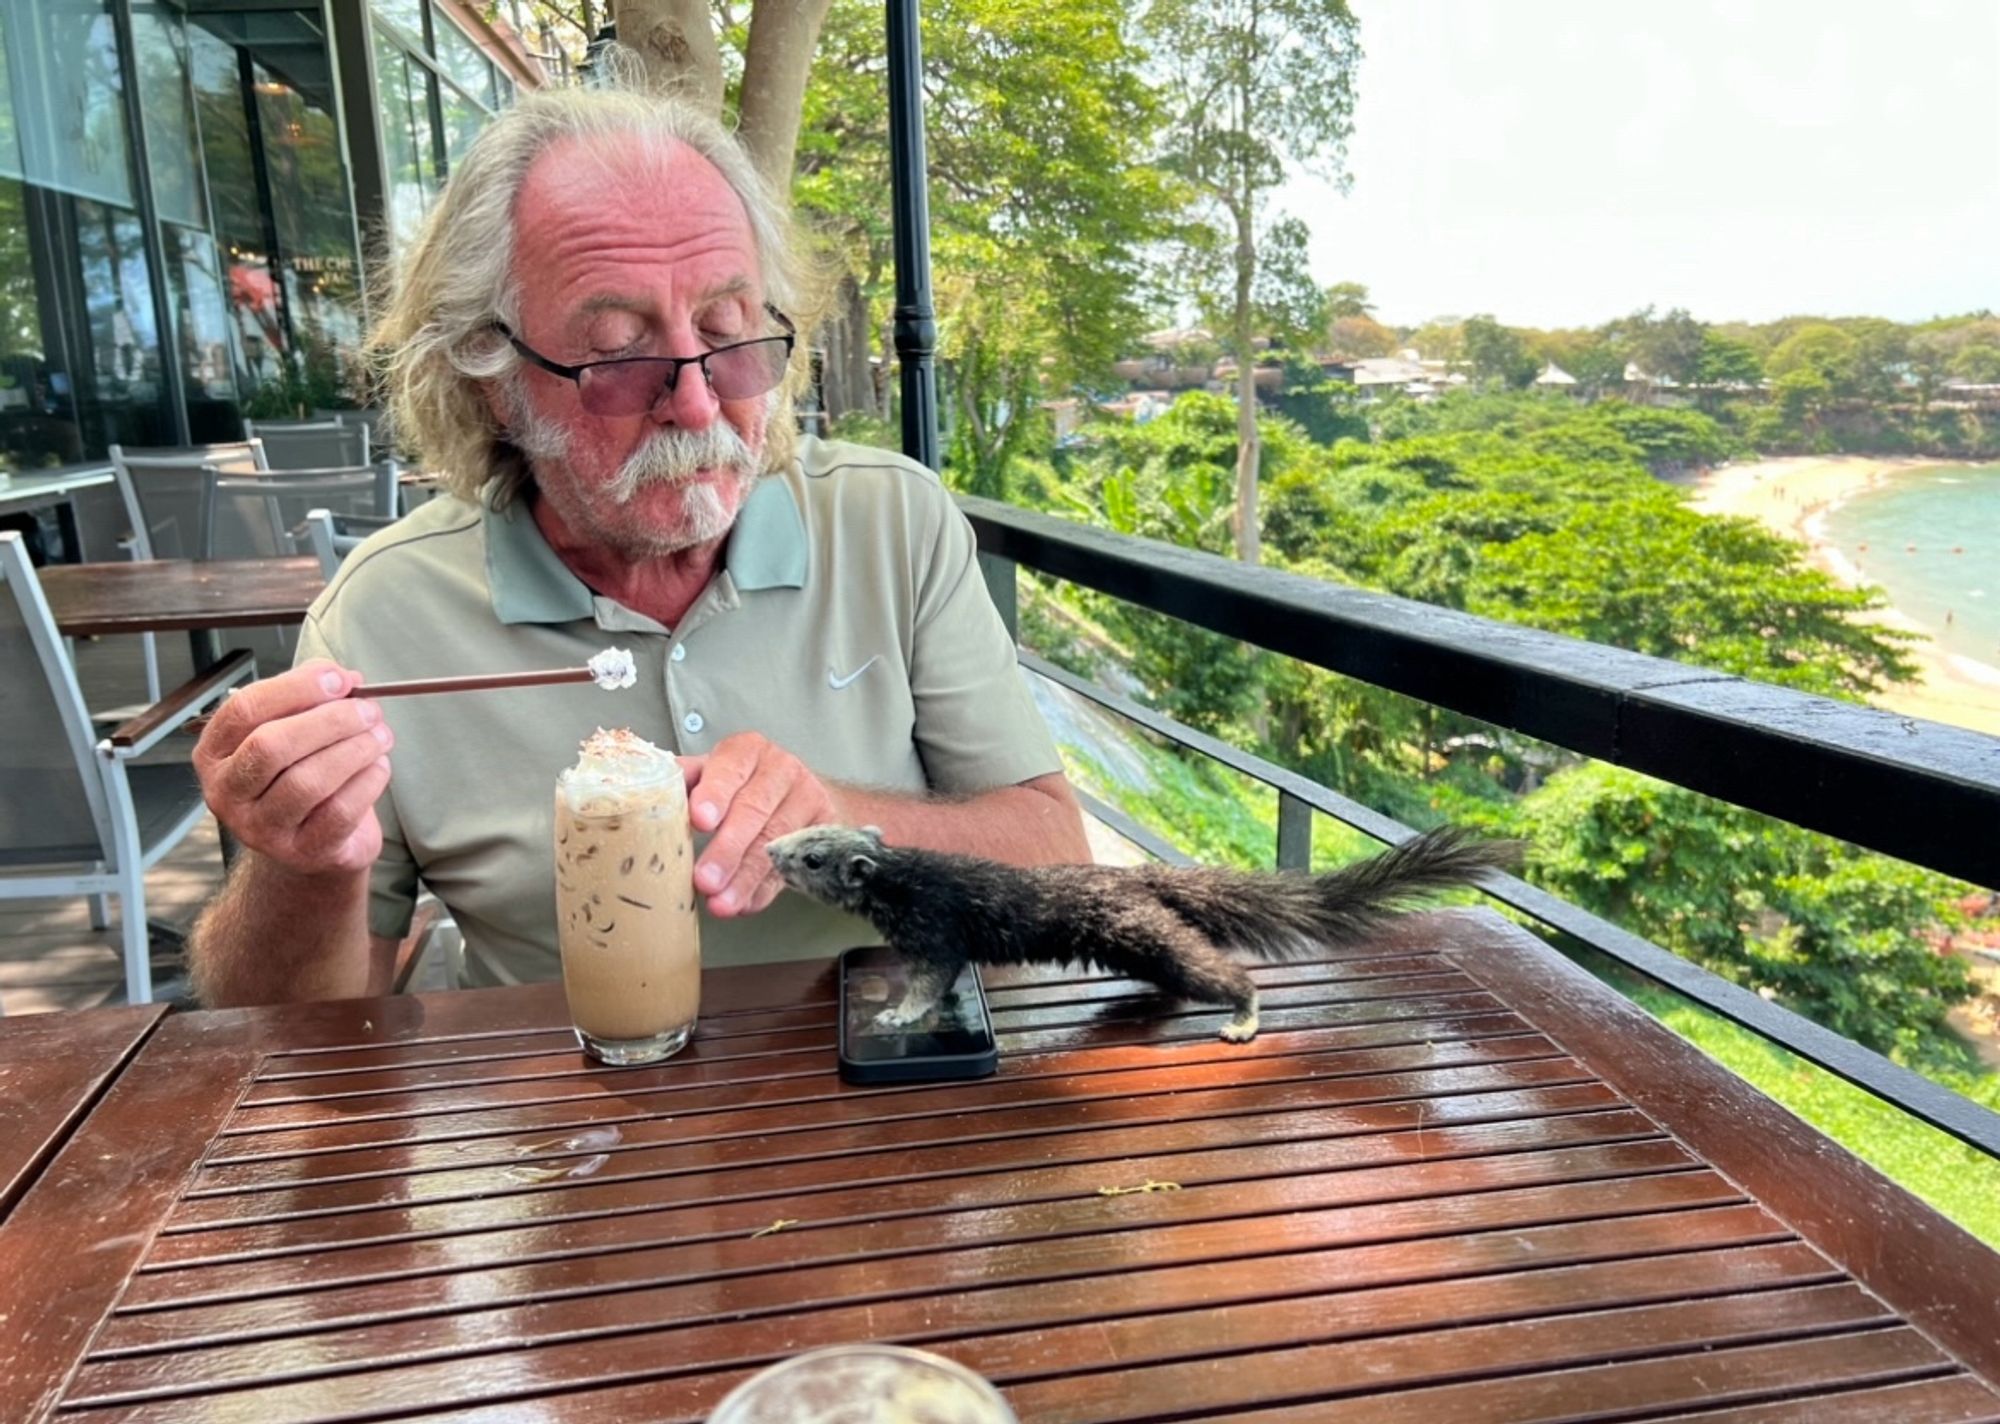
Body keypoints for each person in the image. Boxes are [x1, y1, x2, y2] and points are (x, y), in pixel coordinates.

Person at [188, 82, 1090, 1005]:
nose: (697, 403)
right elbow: (290, 1035)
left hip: (887, 1095)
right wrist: (301, 866)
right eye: (619, 353)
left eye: (730, 332)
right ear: (493, 377)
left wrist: (846, 817)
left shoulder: (890, 523)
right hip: (565, 1130)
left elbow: (1062, 862)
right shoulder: (383, 618)